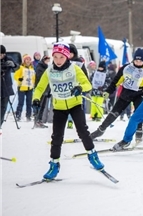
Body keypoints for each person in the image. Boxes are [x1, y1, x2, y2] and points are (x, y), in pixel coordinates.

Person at [32, 42, 105, 180]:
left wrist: (80, 88)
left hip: (75, 105)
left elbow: (87, 84)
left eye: (61, 57)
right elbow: (40, 88)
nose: (58, 60)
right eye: (56, 57)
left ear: (67, 57)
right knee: (57, 137)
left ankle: (93, 156)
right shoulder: (49, 71)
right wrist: (36, 99)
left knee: (83, 131)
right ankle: (54, 165)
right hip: (59, 107)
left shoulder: (75, 69)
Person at [90, 48, 143, 141]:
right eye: (136, 60)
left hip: (140, 93)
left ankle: (139, 131)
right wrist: (108, 91)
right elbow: (115, 81)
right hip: (127, 92)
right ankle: (101, 130)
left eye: (140, 61)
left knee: (138, 112)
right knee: (114, 112)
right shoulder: (126, 68)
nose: (138, 63)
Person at [14, 54, 35, 122]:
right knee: (21, 102)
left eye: (29, 59)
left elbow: (33, 78)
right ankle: (18, 115)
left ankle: (28, 116)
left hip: (30, 88)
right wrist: (19, 79)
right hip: (22, 87)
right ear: (24, 60)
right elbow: (15, 75)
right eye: (26, 59)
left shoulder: (32, 68)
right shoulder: (21, 68)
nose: (28, 61)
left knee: (29, 103)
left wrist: (34, 84)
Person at [1, 45, 18, 127]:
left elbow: (17, 68)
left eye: (1, 55)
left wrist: (13, 65)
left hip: (6, 86)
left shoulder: (9, 59)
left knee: (3, 107)